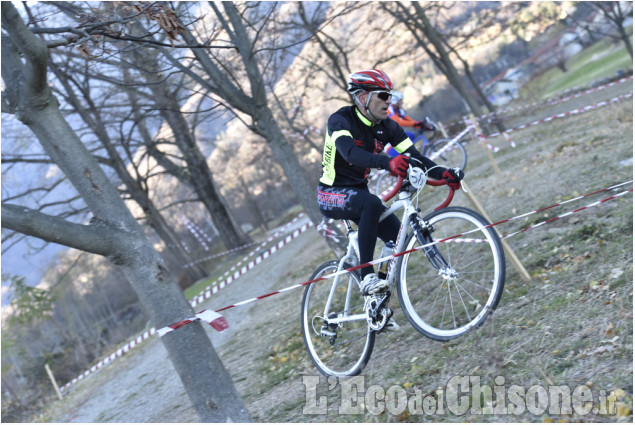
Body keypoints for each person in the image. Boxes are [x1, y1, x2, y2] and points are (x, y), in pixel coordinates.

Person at [316, 69, 463, 329]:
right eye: (383, 95)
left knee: (398, 237)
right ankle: (367, 276)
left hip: (357, 192)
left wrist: (445, 173)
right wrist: (387, 161)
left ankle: (378, 302)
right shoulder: (340, 120)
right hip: (330, 193)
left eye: (391, 95)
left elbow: (417, 158)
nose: (389, 101)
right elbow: (351, 154)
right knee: (371, 203)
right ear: (362, 98)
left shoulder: (388, 126)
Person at [384, 90, 436, 157]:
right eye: (400, 101)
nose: (402, 102)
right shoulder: (388, 110)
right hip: (388, 143)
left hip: (395, 135)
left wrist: (421, 126)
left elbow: (410, 121)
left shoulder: (399, 110)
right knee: (408, 158)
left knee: (412, 136)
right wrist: (415, 124)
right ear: (395, 101)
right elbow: (399, 122)